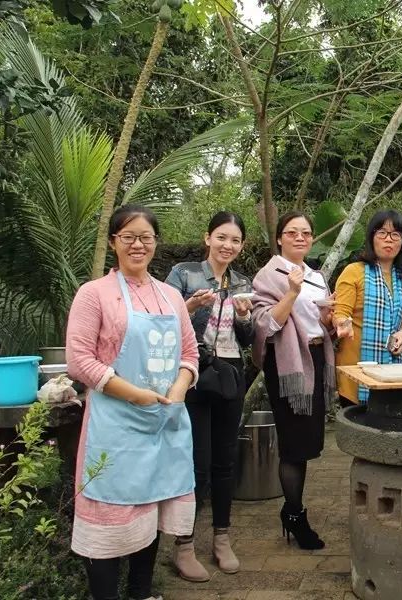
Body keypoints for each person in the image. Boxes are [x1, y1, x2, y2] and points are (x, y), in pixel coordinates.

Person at [66, 205, 199, 600]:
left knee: (152, 513)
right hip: (116, 426)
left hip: (164, 424)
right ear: (113, 242)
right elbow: (79, 359)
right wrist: (135, 393)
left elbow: (190, 353)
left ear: (156, 243)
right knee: (108, 521)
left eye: (145, 237)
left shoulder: (171, 296)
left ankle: (142, 593)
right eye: (128, 237)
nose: (138, 244)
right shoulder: (94, 295)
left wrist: (178, 388)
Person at [164, 211, 253, 580]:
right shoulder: (184, 274)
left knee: (225, 461)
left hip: (231, 374)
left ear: (241, 245)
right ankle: (183, 545)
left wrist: (246, 318)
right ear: (207, 238)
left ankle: (221, 538)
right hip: (194, 374)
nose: (227, 245)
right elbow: (163, 322)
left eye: (234, 240)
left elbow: (247, 341)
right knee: (196, 461)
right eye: (221, 237)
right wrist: (189, 307)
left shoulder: (243, 281)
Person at [252, 211, 337, 550]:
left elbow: (321, 326)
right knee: (294, 444)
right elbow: (265, 327)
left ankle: (292, 511)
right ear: (279, 238)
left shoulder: (317, 275)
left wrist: (331, 319)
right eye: (292, 232)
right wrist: (290, 292)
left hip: (315, 359)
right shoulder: (269, 274)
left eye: (306, 233)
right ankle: (295, 515)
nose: (300, 238)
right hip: (289, 364)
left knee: (306, 443)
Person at [333, 210, 402, 405]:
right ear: (372, 237)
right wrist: (342, 323)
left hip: (392, 372)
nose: (389, 240)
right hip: (355, 370)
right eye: (382, 233)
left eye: (395, 235)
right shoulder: (354, 272)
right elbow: (341, 312)